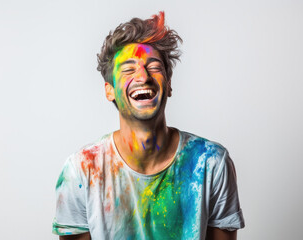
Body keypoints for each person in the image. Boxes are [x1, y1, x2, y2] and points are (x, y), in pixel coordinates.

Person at [52, 11, 245, 240]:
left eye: (153, 66)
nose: (143, 77)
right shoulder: (82, 171)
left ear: (169, 85)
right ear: (109, 90)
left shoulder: (211, 162)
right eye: (128, 69)